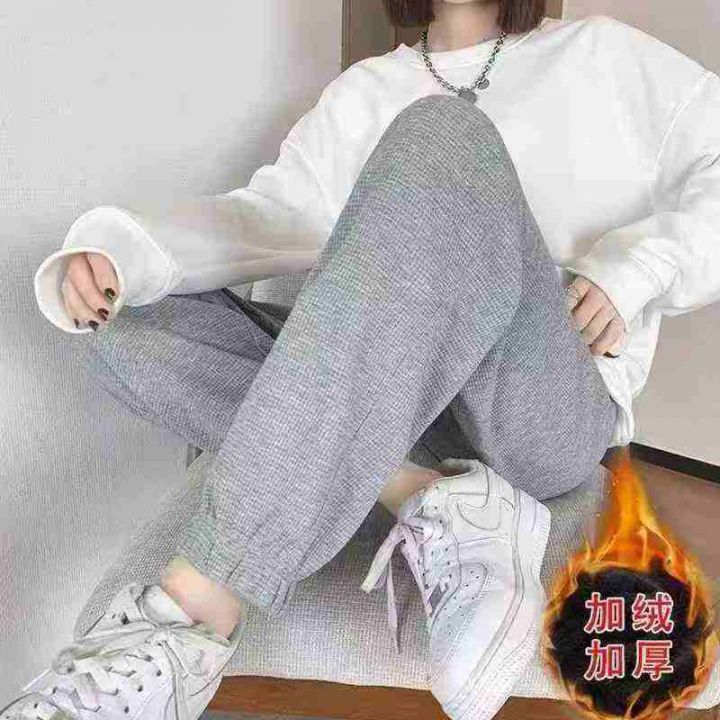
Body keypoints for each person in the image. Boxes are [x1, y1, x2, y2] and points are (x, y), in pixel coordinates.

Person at [7, 0, 720, 718]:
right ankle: (429, 494)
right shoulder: (363, 92)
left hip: (543, 409)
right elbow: (271, 217)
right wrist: (127, 255)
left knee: (442, 135)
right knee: (125, 319)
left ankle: (186, 618)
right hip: (394, 402)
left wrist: (635, 269)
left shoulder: (609, 57)